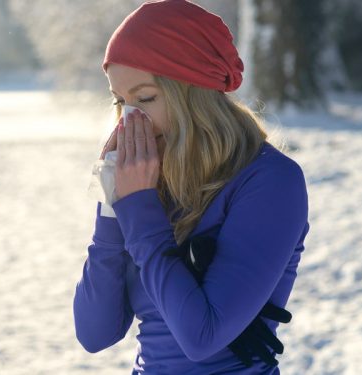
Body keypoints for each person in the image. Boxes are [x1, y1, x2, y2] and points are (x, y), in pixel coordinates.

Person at [72, 1, 311, 374]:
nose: (131, 120)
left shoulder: (269, 181)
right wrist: (111, 208)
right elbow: (94, 332)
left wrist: (138, 208)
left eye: (145, 98)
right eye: (121, 101)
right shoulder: (150, 181)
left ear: (192, 91)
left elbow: (202, 335)